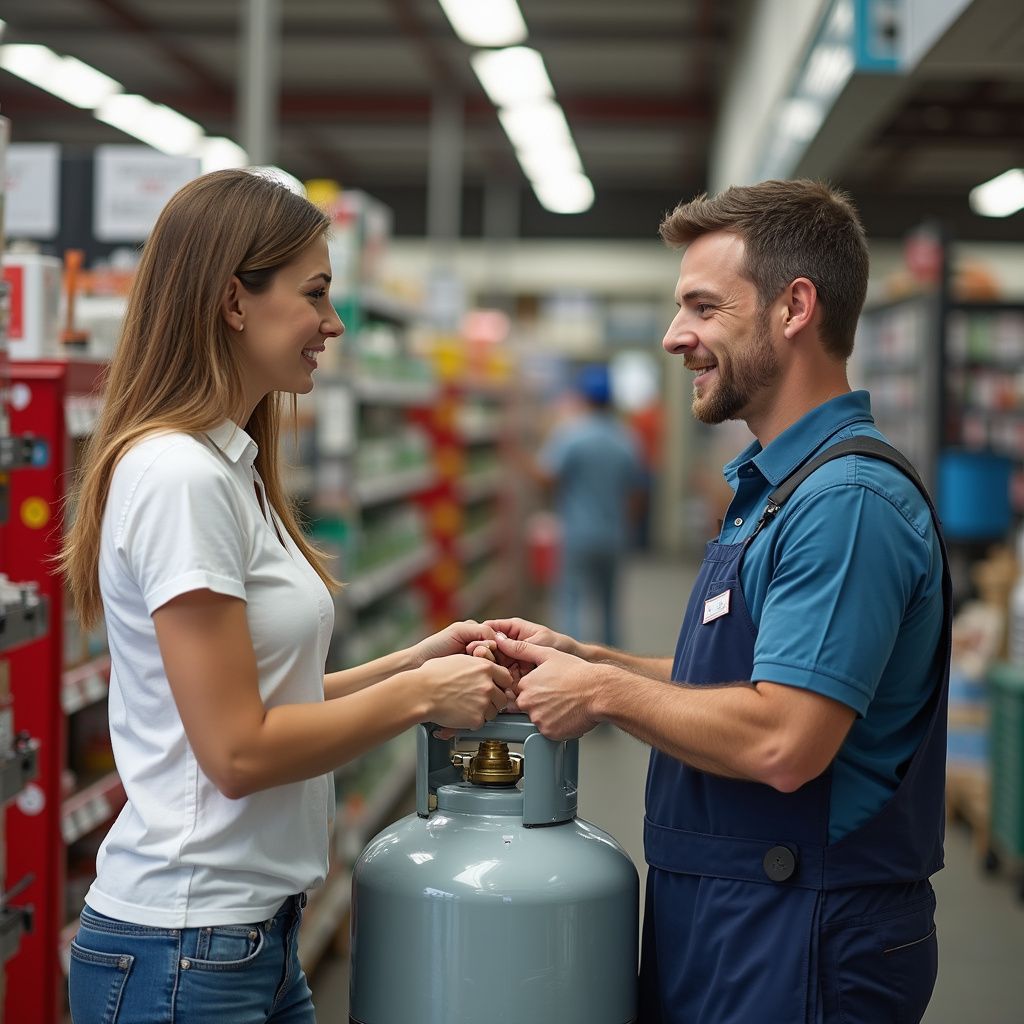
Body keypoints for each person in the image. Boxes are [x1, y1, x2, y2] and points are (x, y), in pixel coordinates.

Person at [485, 180, 950, 1024]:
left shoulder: (845, 502)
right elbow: (744, 679)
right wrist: (589, 658)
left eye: (702, 307)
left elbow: (784, 739)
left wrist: (601, 694)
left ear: (793, 308)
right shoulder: (777, 488)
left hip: (802, 929)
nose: (674, 338)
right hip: (736, 910)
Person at [58, 169, 512, 1024]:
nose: (334, 324)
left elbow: (267, 696)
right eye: (315, 295)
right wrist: (420, 697)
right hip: (183, 950)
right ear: (235, 301)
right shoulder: (179, 477)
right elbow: (237, 751)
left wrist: (414, 664)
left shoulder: (231, 471)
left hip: (251, 940)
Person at [532, 364, 644, 647]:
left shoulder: (571, 434)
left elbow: (547, 476)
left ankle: (567, 661)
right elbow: (637, 491)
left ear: (583, 396)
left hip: (578, 533)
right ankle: (615, 664)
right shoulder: (626, 437)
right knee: (609, 605)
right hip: (613, 533)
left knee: (571, 600)